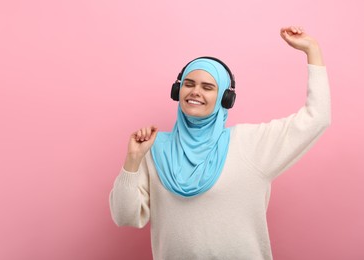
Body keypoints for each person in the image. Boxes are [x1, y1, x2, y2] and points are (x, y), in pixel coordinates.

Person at [109, 26, 331, 260]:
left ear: (225, 98)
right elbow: (125, 217)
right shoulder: (153, 147)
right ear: (177, 89)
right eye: (189, 83)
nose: (195, 92)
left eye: (208, 87)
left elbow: (317, 119)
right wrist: (132, 161)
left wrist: (312, 51)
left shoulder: (249, 143)